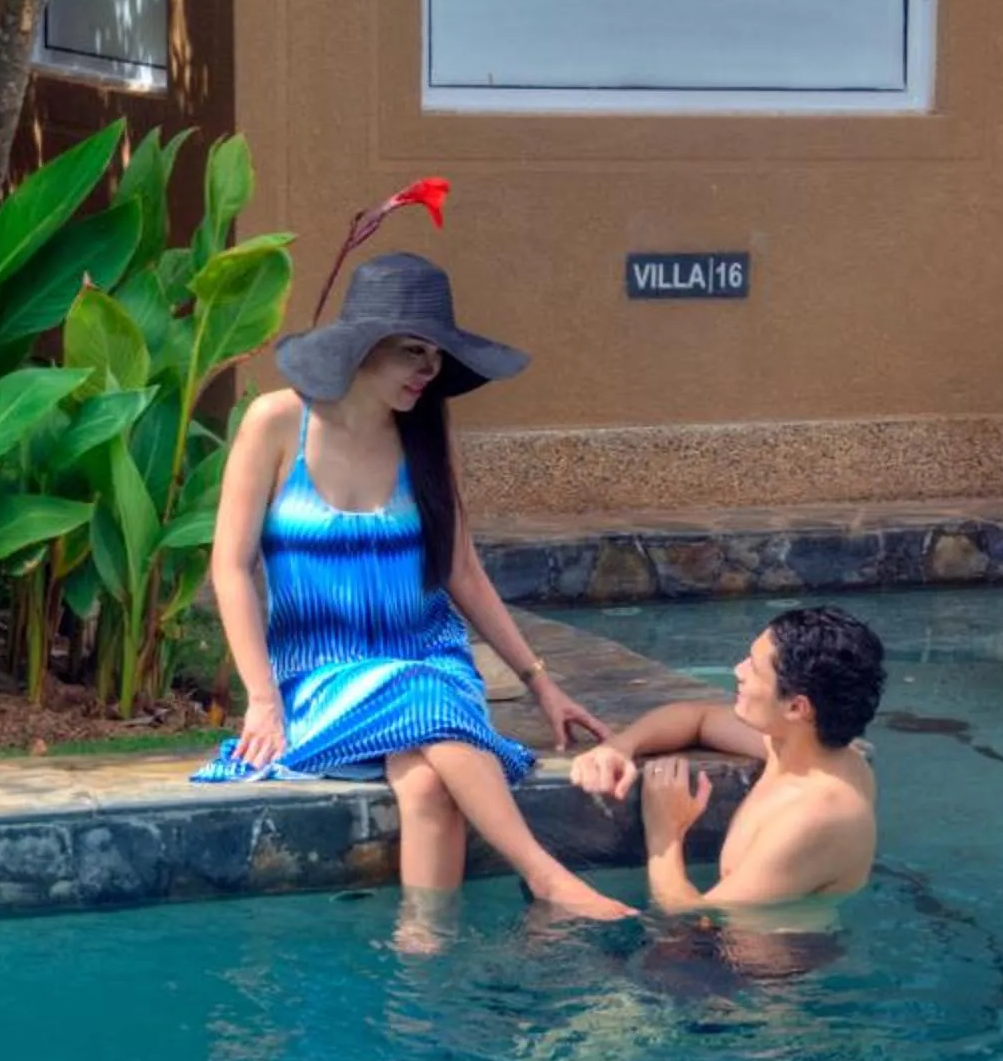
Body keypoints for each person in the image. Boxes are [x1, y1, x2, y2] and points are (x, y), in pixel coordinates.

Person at [197, 250, 633, 935]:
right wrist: (261, 699)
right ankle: (546, 878)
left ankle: (421, 968)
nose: (427, 371)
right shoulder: (277, 423)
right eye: (410, 352)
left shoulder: (427, 435)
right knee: (423, 706)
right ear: (361, 348)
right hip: (320, 675)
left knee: (429, 782)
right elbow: (230, 567)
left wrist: (540, 681)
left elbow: (461, 569)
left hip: (430, 661)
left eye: (434, 354)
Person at [569, 606, 885, 915]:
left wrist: (665, 833)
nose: (738, 670)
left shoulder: (817, 814)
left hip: (770, 965)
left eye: (755, 668)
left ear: (796, 708)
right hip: (729, 951)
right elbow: (699, 718)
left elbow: (692, 918)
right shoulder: (796, 748)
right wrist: (621, 746)